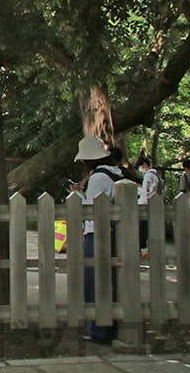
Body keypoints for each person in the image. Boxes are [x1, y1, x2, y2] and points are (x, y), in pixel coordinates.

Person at [71, 136, 121, 343]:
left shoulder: (98, 178)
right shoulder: (114, 173)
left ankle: (99, 329)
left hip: (97, 232)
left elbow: (89, 208)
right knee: (108, 280)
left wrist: (77, 195)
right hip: (112, 232)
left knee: (95, 281)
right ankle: (108, 325)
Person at [135, 156, 160, 257]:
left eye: (140, 167)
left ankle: (143, 251)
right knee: (145, 230)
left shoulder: (148, 176)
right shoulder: (155, 174)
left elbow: (145, 192)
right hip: (152, 204)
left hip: (144, 205)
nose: (140, 170)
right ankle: (144, 250)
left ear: (144, 164)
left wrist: (136, 188)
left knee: (142, 231)